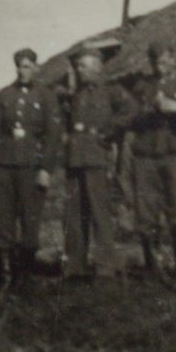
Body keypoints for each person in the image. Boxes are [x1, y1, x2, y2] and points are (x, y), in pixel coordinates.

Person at [0, 47, 61, 290]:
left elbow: (53, 135)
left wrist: (46, 168)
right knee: (3, 217)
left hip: (31, 166)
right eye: (19, 66)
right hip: (5, 165)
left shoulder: (46, 96)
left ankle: (24, 274)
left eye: (27, 66)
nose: (22, 71)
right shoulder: (4, 95)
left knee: (30, 217)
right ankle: (4, 272)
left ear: (35, 68)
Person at [127, 42, 176, 278]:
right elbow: (130, 118)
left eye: (164, 60)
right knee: (146, 213)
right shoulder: (142, 85)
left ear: (173, 59)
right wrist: (148, 110)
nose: (160, 65)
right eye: (156, 61)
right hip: (147, 156)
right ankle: (153, 267)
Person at [61, 47, 136, 282]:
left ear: (96, 67)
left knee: (99, 213)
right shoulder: (75, 95)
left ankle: (105, 268)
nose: (79, 70)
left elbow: (131, 111)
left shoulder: (111, 90)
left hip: (96, 159)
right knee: (74, 215)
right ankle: (75, 267)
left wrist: (109, 131)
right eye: (78, 67)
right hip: (75, 160)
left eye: (83, 66)